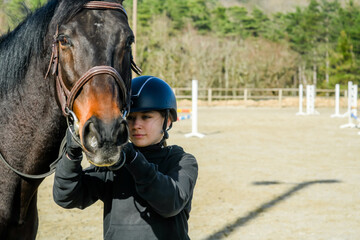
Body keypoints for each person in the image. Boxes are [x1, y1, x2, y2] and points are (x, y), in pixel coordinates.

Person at [53, 76, 198, 240]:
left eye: (146, 117)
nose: (136, 125)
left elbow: (169, 203)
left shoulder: (182, 161)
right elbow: (66, 197)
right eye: (130, 118)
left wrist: (132, 158)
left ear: (167, 120)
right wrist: (72, 155)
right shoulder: (113, 163)